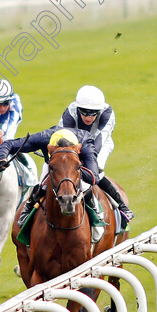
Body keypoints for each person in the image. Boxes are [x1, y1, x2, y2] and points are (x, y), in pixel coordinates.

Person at [0, 127, 111, 228]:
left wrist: (75, 169)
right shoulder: (44, 138)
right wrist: (2, 158)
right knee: (42, 185)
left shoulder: (85, 143)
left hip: (75, 165)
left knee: (86, 186)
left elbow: (93, 178)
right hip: (54, 165)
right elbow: (9, 144)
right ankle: (28, 208)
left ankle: (95, 211)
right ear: (49, 146)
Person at [57, 85, 134, 221]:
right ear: (78, 108)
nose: (88, 117)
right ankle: (29, 207)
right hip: (71, 146)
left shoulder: (107, 114)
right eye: (84, 112)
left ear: (99, 111)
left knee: (94, 171)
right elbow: (63, 138)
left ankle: (122, 206)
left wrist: (84, 159)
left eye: (93, 113)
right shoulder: (70, 114)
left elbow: (99, 141)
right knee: (50, 173)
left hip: (101, 144)